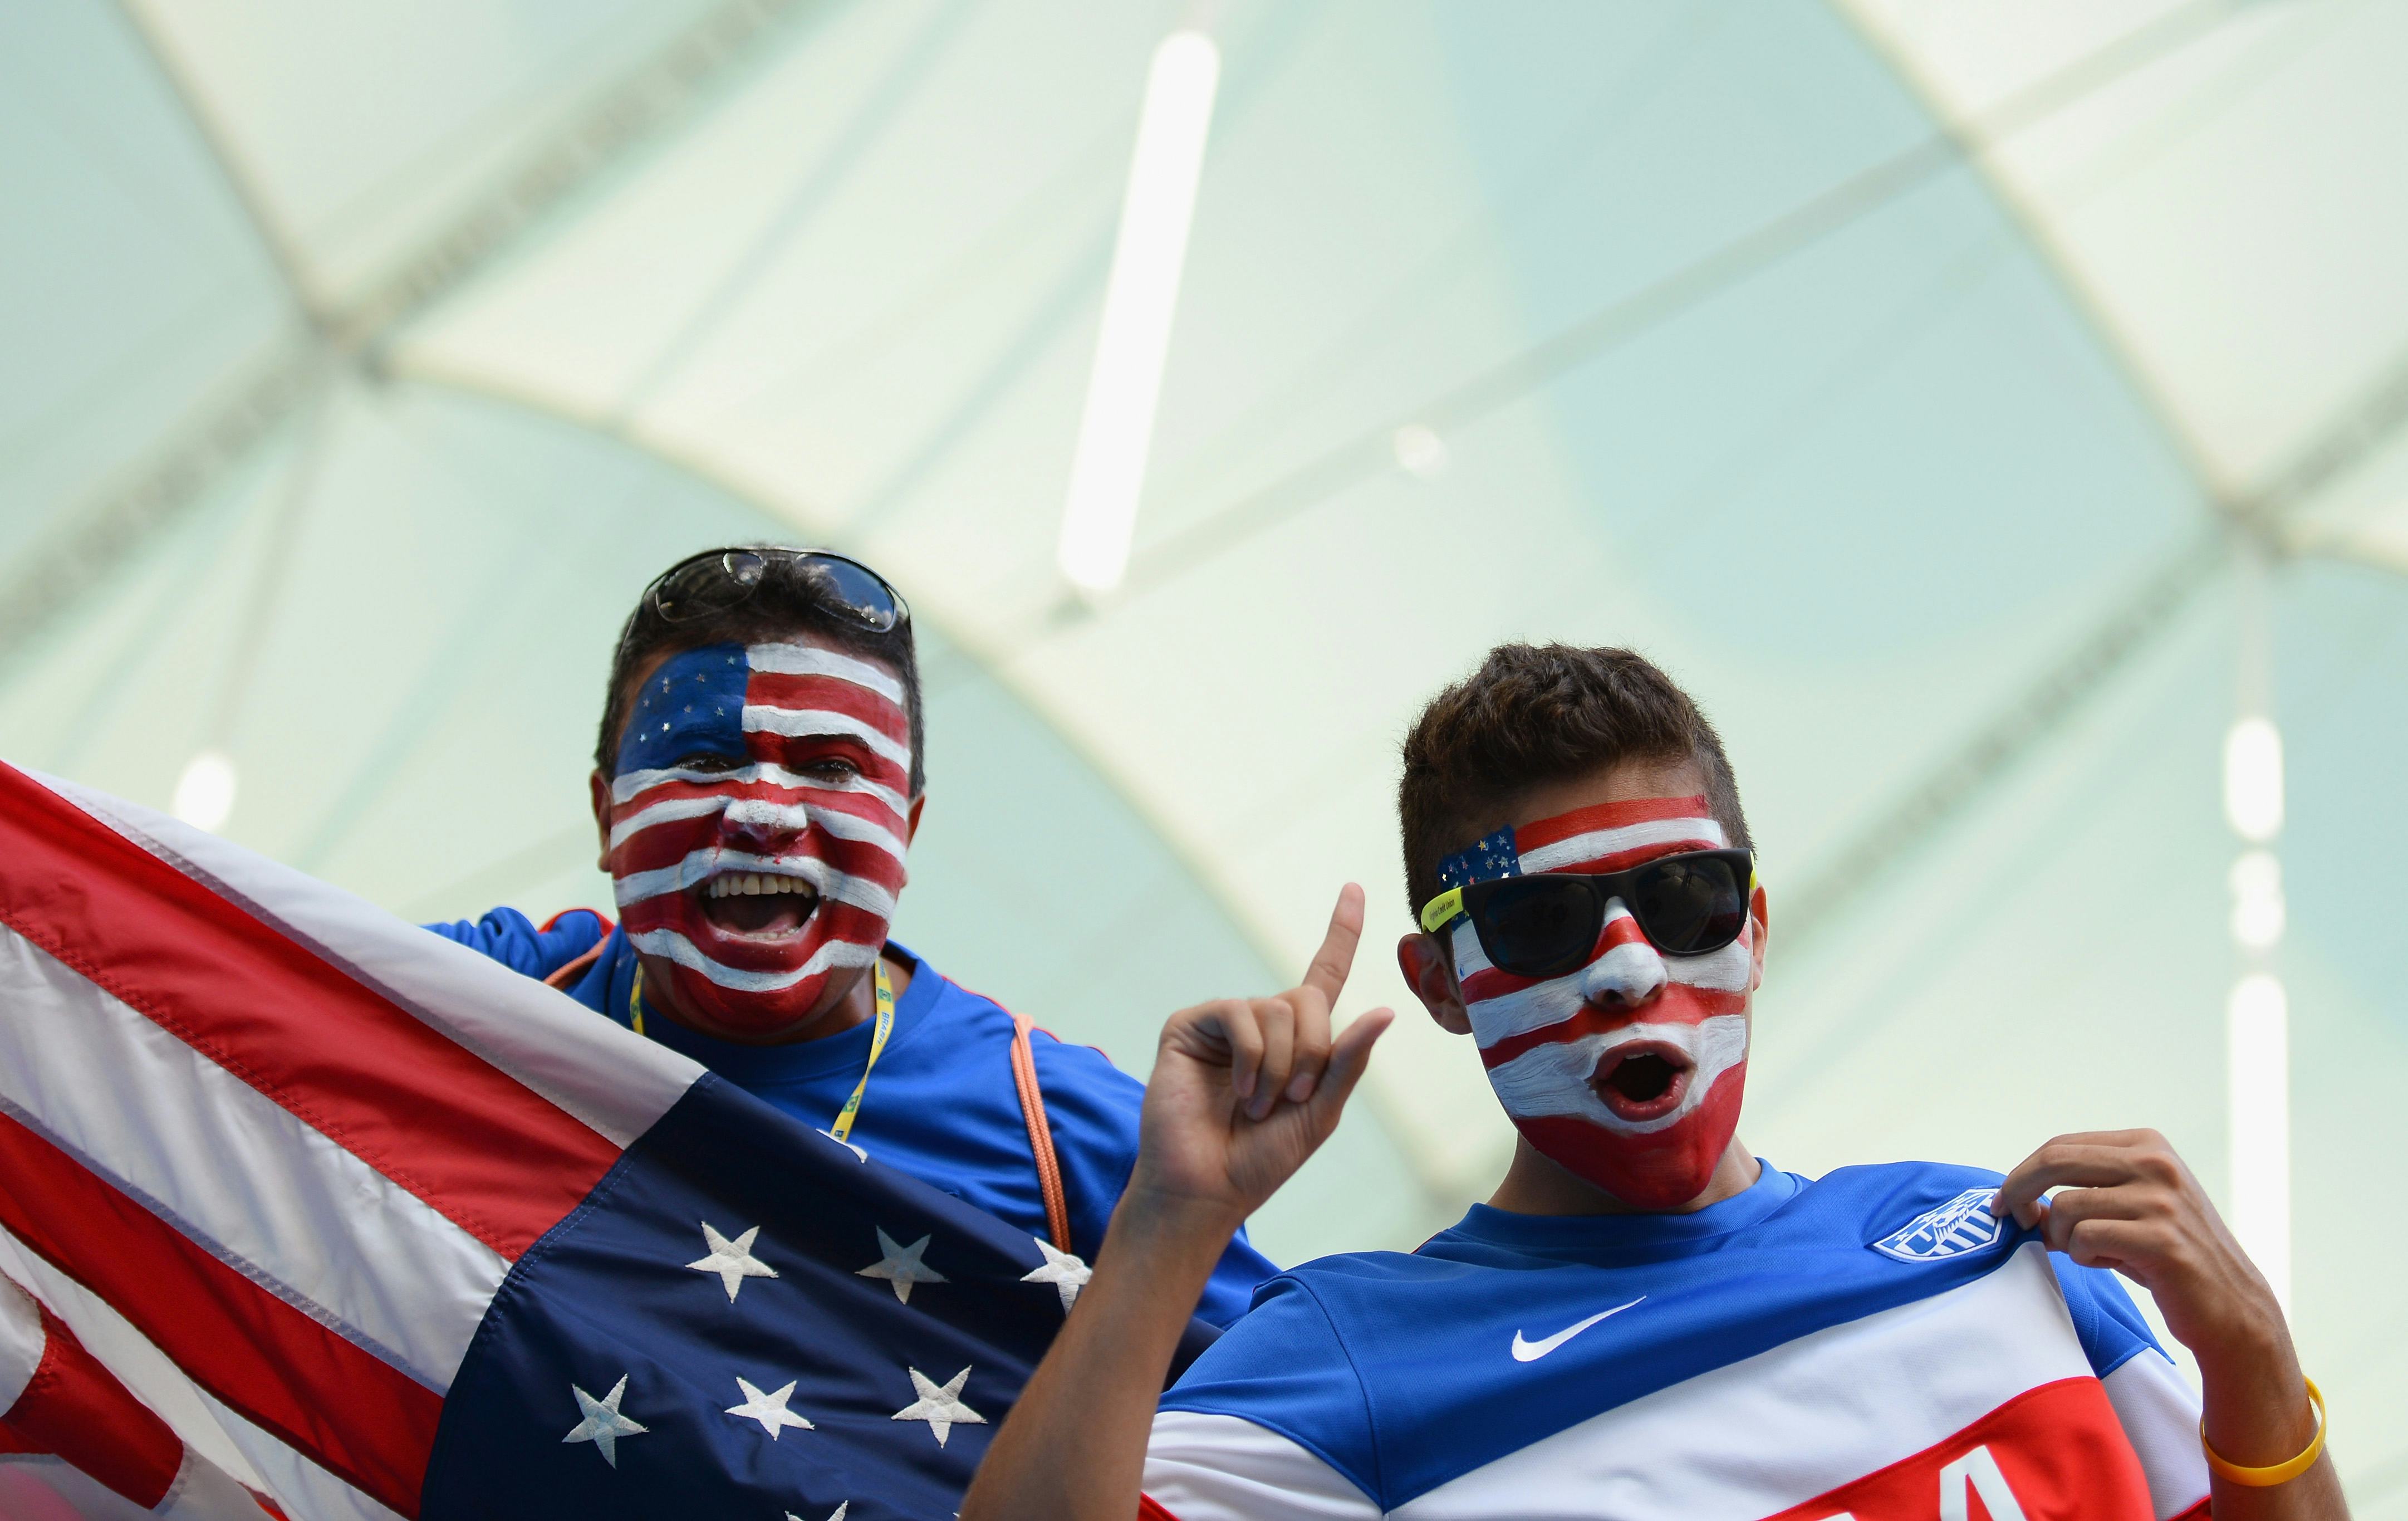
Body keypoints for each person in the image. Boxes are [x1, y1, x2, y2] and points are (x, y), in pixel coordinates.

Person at [963, 644, 2346, 1520]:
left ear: (1754, 924)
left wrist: (2254, 1360)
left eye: (1681, 895)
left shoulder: (1998, 1246)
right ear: (1440, 983)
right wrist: (1168, 1221)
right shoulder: (1349, 1359)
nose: (1625, 970)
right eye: (1544, 923)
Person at [428, 545, 1273, 1324]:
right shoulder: (479, 996)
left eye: (831, 768)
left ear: (905, 830)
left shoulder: (1069, 1134)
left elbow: (1267, 1438)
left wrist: (1183, 1210)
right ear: (606, 815)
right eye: (704, 759)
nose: (761, 813)